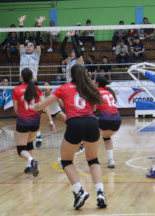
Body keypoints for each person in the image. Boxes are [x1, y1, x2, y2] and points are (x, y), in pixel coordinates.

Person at [34, 64, 107, 210]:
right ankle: (100, 193)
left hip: (75, 123)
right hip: (92, 122)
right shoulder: (89, 88)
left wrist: (33, 107)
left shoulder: (64, 88)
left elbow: (44, 105)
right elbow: (95, 107)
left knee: (66, 160)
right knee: (93, 159)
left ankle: (79, 191)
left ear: (71, 75)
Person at [13, 68, 55, 176]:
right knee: (29, 143)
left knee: (20, 149)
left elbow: (16, 110)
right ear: (32, 77)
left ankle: (31, 160)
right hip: (35, 121)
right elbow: (44, 105)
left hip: (22, 121)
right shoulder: (37, 89)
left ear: (21, 77)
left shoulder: (16, 90)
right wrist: (50, 121)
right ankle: (29, 167)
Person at [95, 75, 121, 168]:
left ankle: (70, 157)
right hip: (117, 120)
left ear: (97, 83)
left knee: (89, 137)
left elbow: (93, 108)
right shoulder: (109, 92)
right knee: (106, 137)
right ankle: (111, 160)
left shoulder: (96, 92)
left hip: (105, 119)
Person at [35, 81, 66, 148]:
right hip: (45, 114)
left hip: (57, 112)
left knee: (70, 122)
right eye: (44, 85)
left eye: (47, 85)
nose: (45, 87)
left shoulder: (55, 94)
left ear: (51, 87)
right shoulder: (42, 96)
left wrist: (59, 99)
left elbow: (62, 105)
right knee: (38, 127)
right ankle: (38, 138)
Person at [18, 15, 44, 80]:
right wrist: (21, 24)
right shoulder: (23, 53)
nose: (28, 47)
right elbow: (21, 40)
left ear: (34, 48)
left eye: (31, 46)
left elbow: (38, 41)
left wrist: (39, 24)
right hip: (22, 80)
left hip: (32, 80)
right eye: (27, 46)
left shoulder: (36, 54)